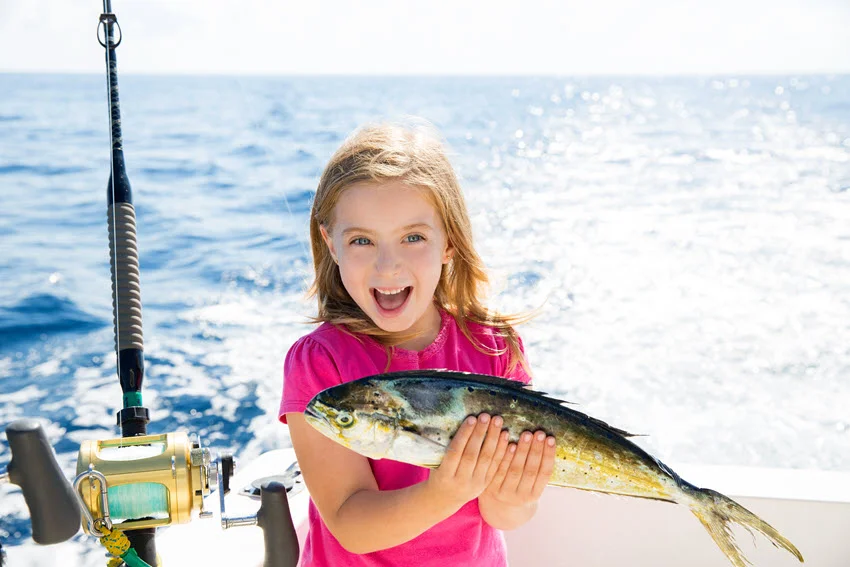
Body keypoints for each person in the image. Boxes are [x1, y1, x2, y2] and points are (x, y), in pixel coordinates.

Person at [279, 120, 556, 567]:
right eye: (362, 240)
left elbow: (505, 514)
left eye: (413, 237)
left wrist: (513, 496)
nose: (388, 266)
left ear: (449, 241)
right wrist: (443, 491)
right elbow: (351, 523)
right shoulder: (319, 364)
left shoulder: (497, 349)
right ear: (331, 244)